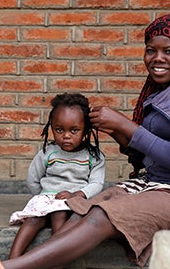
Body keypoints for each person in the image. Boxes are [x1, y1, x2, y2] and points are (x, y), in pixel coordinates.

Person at [0, 13, 170, 269]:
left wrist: (126, 125)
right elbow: (145, 154)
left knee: (103, 214)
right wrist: (116, 130)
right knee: (82, 208)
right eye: (151, 50)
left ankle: (8, 267)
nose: (157, 58)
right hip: (153, 184)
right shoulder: (159, 90)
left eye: (168, 51)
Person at [8, 93, 105, 258]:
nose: (66, 135)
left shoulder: (93, 156)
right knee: (32, 220)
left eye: (74, 130)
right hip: (48, 197)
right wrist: (42, 198)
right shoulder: (48, 152)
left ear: (86, 130)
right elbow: (33, 179)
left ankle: (55, 256)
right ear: (51, 127)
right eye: (59, 130)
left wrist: (77, 194)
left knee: (59, 214)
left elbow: (96, 184)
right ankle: (12, 259)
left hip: (74, 201)